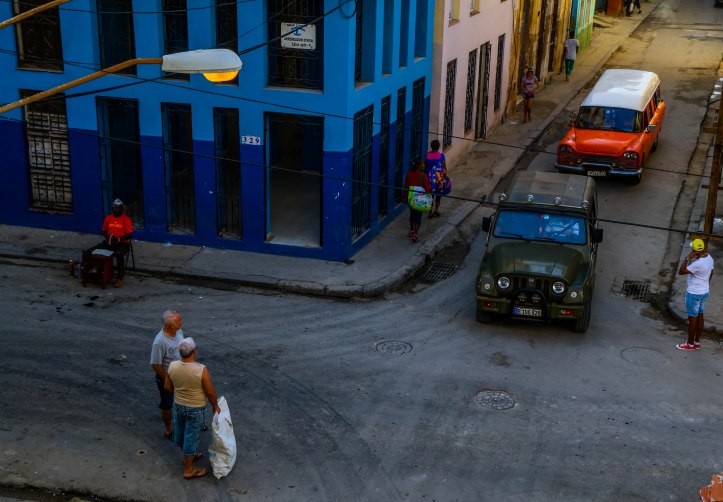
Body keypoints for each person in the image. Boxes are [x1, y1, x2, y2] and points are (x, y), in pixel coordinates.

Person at [165, 337, 221, 480]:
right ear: (194, 351)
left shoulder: (172, 366)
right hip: (195, 408)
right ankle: (188, 469)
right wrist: (215, 405)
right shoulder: (201, 370)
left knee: (180, 432)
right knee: (191, 437)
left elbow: (167, 386)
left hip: (178, 405)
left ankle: (189, 456)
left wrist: (180, 394)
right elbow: (210, 392)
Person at [150, 310, 184, 439]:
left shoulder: (178, 332)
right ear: (171, 325)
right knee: (167, 404)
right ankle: (169, 428)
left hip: (181, 374)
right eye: (179, 320)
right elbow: (155, 364)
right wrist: (166, 381)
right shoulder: (159, 342)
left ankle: (187, 423)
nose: (181, 322)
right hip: (167, 377)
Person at [677, 239, 714, 350]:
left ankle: (689, 344)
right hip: (704, 291)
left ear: (694, 250)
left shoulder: (697, 264)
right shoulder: (709, 257)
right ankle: (696, 342)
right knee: (700, 316)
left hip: (694, 293)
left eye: (692, 248)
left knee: (692, 319)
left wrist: (687, 258)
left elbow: (681, 271)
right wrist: (704, 283)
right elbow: (711, 272)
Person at [87, 198, 132, 288]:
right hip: (110, 242)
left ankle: (120, 278)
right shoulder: (108, 218)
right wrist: (106, 236)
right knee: (91, 250)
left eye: (117, 208)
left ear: (121, 209)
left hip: (122, 243)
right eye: (114, 208)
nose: (115, 210)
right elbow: (104, 230)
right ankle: (95, 271)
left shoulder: (126, 219)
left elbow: (129, 235)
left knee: (119, 254)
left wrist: (118, 239)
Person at [404, 158, 431, 243]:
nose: (423, 165)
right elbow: (427, 189)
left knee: (412, 214)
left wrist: (404, 197)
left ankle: (411, 230)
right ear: (419, 166)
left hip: (411, 198)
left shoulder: (409, 174)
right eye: (422, 164)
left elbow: (406, 186)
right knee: (418, 216)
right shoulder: (424, 176)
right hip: (420, 200)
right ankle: (415, 234)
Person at [424, 139, 449, 218]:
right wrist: (445, 176)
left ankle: (430, 212)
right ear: (438, 147)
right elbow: (444, 167)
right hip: (438, 177)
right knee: (438, 194)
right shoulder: (441, 155)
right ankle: (436, 210)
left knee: (430, 195)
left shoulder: (426, 155)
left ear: (431, 146)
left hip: (429, 177)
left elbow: (425, 166)